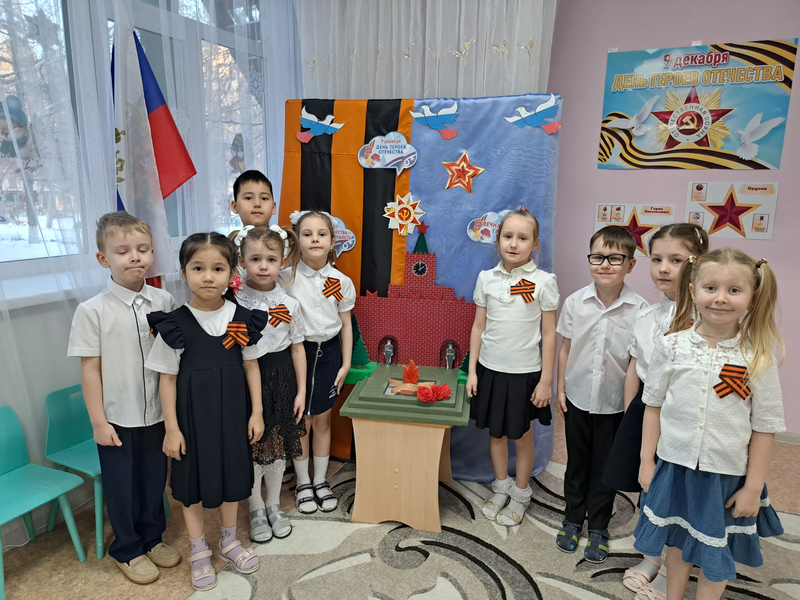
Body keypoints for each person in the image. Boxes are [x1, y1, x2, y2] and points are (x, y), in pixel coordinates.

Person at [634, 248, 785, 600]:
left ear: (752, 297)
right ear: (692, 290)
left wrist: (753, 487)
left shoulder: (757, 355)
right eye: (711, 288)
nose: (721, 298)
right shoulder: (671, 346)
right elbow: (653, 407)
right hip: (676, 467)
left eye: (734, 290)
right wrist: (645, 461)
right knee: (676, 541)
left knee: (717, 551)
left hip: (726, 475)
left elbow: (764, 427)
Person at [145, 233, 267, 591]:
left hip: (233, 416)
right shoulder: (175, 323)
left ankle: (229, 540)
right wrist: (172, 429)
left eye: (218, 268)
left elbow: (251, 367)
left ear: (232, 273)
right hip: (192, 421)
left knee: (232, 479)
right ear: (184, 273)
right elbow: (167, 380)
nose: (208, 277)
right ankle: (199, 549)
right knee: (192, 484)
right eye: (198, 268)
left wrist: (257, 413)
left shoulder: (242, 318)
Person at [67, 212, 180, 584]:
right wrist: (99, 423)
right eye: (123, 251)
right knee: (122, 487)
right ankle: (128, 549)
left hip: (156, 414)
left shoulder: (164, 300)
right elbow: (90, 371)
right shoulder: (92, 311)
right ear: (104, 259)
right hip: (117, 418)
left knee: (153, 479)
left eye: (143, 249)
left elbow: (173, 359)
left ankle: (152, 538)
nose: (135, 257)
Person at [603, 223, 708, 599]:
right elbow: (635, 366)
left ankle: (671, 568)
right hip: (646, 412)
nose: (663, 268)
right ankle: (652, 555)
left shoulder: (707, 317)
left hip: (684, 416)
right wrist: (629, 415)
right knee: (649, 486)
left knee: (678, 492)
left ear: (698, 263)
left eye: (676, 260)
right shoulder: (648, 315)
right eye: (657, 259)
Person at [556, 226, 648, 562]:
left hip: (614, 405)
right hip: (578, 399)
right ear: (590, 260)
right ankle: (571, 519)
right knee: (577, 464)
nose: (605, 264)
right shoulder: (575, 302)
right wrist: (560, 388)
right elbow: (566, 348)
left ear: (631, 264)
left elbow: (636, 363)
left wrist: (630, 409)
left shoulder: (641, 310)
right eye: (598, 257)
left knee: (605, 469)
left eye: (615, 258)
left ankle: (598, 527)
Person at [466, 209, 559, 527]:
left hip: (525, 374)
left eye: (523, 238)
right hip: (490, 370)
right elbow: (478, 327)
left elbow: (549, 334)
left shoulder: (543, 282)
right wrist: (473, 371)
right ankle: (501, 486)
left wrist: (545, 381)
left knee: (522, 436)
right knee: (496, 435)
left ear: (535, 244)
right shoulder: (486, 279)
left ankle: (520, 494)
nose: (514, 244)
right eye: (508, 236)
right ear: (498, 240)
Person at [231, 225, 307, 542]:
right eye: (255, 259)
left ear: (283, 262)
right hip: (245, 378)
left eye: (271, 260)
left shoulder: (289, 304)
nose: (263, 266)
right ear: (242, 261)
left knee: (276, 445)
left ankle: (273, 504)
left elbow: (298, 347)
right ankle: (255, 507)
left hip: (281, 378)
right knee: (251, 446)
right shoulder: (233, 301)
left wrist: (301, 391)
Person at [280, 210, 355, 514]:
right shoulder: (285, 278)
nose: (314, 239)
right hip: (298, 354)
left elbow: (346, 324)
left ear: (332, 242)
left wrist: (345, 364)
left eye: (321, 234)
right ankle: (303, 483)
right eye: (307, 233)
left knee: (323, 419)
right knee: (301, 421)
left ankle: (321, 481)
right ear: (297, 239)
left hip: (330, 355)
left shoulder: (340, 281)